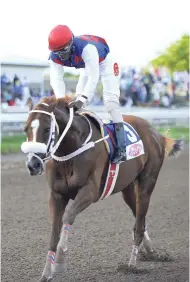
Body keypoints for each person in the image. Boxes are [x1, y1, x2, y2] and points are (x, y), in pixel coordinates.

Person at [48, 24, 127, 163]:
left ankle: (122, 148)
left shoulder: (87, 49)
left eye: (63, 50)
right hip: (86, 65)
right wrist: (61, 100)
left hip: (105, 62)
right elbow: (56, 79)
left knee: (110, 103)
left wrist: (83, 99)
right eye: (57, 52)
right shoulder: (54, 56)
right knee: (77, 100)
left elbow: (93, 77)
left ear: (71, 43)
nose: (61, 55)